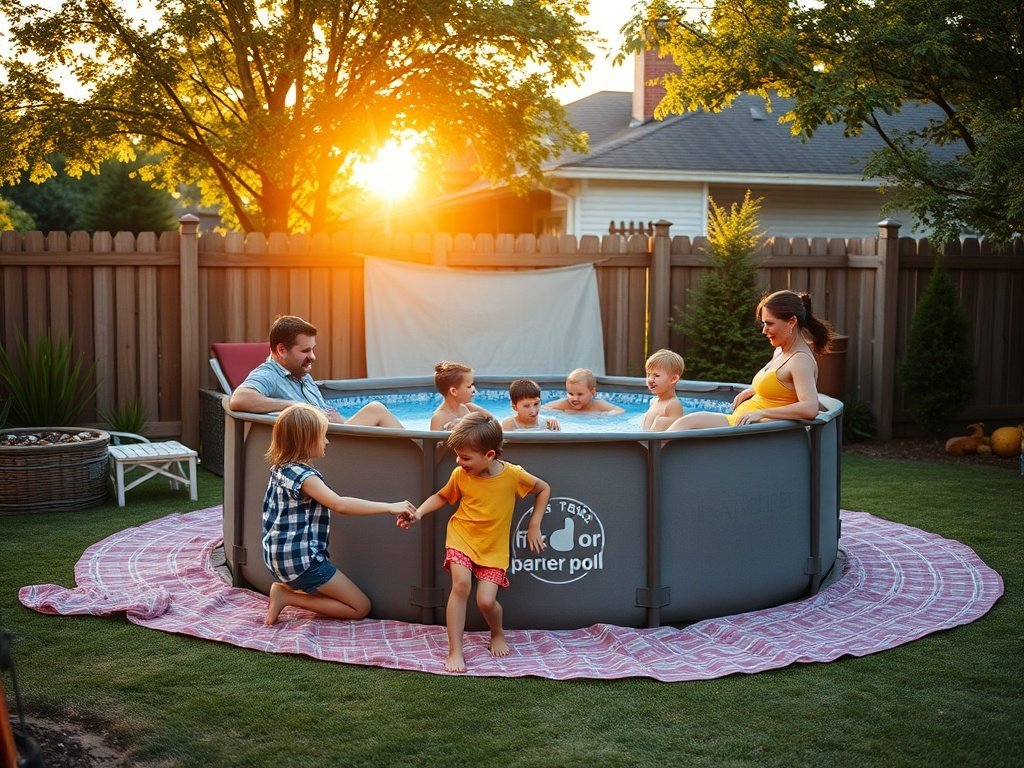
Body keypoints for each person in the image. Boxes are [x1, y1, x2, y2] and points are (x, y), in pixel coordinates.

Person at [397, 413, 550, 672]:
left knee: (486, 601)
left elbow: (543, 488)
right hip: (462, 536)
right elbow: (442, 497)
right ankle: (455, 650)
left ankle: (497, 632)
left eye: (465, 457)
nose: (459, 462)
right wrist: (419, 513)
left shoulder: (513, 475)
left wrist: (534, 524)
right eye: (458, 455)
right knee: (461, 585)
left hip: (493, 547)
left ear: (489, 455)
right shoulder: (460, 474)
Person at [262, 404, 416, 625]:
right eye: (322, 436)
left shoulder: (281, 469)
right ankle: (287, 596)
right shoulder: (304, 477)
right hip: (301, 562)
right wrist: (389, 506)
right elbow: (340, 504)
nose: (327, 441)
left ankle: (287, 591)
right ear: (306, 441)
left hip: (277, 556)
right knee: (360, 606)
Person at [667, 290, 833, 430]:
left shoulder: (800, 360)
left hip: (752, 433)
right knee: (678, 423)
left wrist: (761, 413)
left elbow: (810, 407)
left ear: (792, 322)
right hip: (739, 423)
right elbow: (780, 387)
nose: (764, 331)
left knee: (684, 425)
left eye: (769, 323)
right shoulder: (780, 352)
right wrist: (753, 390)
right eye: (763, 324)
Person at [229, 315, 403, 428]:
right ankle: (423, 457)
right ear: (281, 350)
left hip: (331, 437)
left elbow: (320, 411)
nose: (313, 356)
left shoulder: (301, 374)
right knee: (376, 409)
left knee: (377, 413)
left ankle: (422, 455)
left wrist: (338, 420)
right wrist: (293, 406)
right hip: (323, 450)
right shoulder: (268, 375)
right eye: (305, 351)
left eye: (312, 349)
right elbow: (239, 399)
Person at [430, 360, 493, 430]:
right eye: (469, 386)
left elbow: (493, 422)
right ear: (454, 391)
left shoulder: (470, 407)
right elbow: (435, 440)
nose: (474, 390)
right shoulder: (439, 417)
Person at [542, 368, 624, 414]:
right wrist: (558, 413)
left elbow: (620, 410)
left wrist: (605, 415)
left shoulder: (598, 405)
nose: (575, 398)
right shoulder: (564, 404)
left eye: (580, 394)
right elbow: (544, 408)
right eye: (571, 393)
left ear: (592, 392)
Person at [641, 349, 685, 432]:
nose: (650, 380)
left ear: (673, 379)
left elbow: (675, 432)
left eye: (656, 375)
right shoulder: (654, 401)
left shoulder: (673, 404)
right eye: (648, 374)